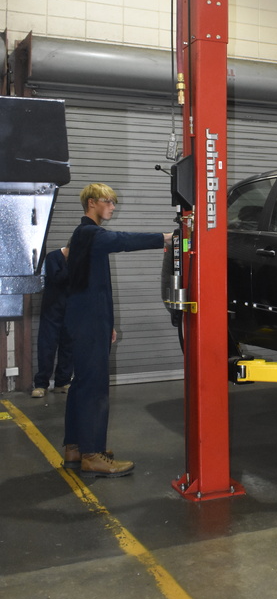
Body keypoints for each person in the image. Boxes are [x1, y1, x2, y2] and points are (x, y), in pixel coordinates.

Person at [63, 182, 172, 478]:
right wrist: (165, 237)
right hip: (89, 320)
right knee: (95, 387)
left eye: (113, 202)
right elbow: (123, 240)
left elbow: (94, 286)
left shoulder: (83, 235)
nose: (112, 207)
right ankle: (92, 455)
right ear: (92, 203)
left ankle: (75, 447)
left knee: (82, 383)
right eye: (108, 202)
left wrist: (107, 324)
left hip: (87, 318)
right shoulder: (90, 233)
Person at [31, 244, 72, 398]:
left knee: (68, 347)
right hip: (52, 310)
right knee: (47, 347)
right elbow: (57, 278)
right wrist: (73, 266)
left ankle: (62, 382)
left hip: (70, 309)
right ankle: (41, 384)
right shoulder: (53, 258)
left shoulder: (79, 260)